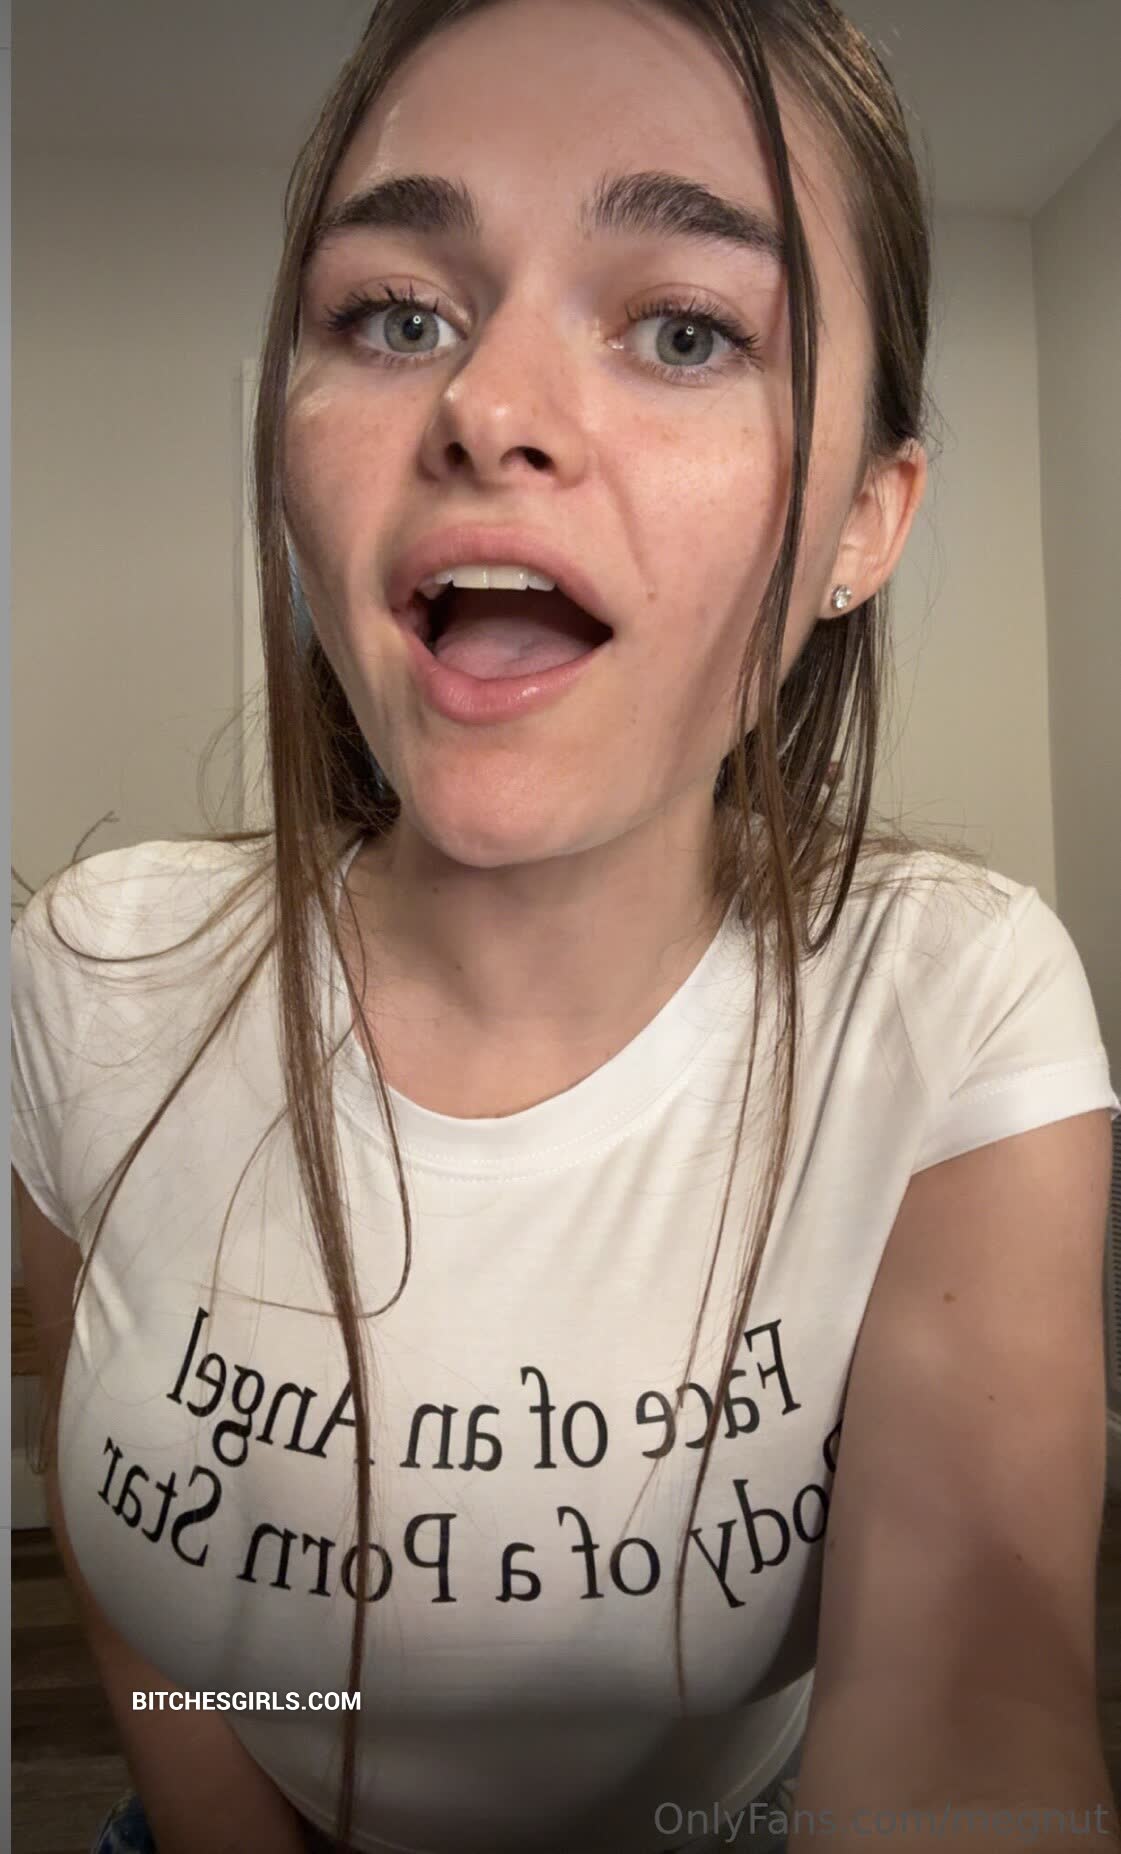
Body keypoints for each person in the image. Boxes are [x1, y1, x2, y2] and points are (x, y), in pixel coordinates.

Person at [12, 2, 1120, 1852]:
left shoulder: (949, 1003)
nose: (488, 408)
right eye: (394, 315)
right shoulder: (89, 979)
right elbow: (138, 1575)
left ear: (865, 519)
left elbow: (970, 1710)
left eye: (684, 329)